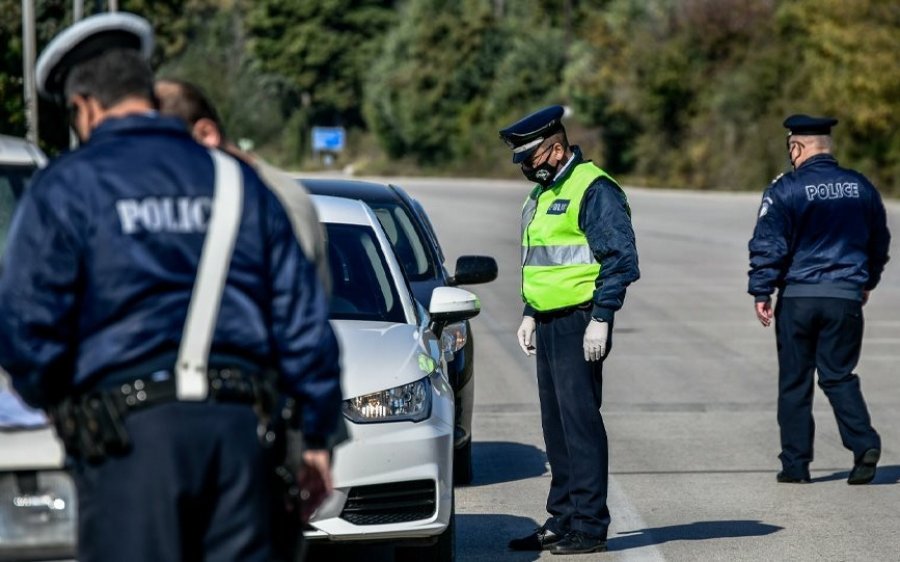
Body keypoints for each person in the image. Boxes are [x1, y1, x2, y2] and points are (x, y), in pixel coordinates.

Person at [0, 12, 341, 562]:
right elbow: (303, 325)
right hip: (241, 440)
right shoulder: (237, 180)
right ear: (145, 89)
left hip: (124, 445)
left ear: (84, 106)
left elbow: (24, 331)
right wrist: (319, 439)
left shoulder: (66, 186)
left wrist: (69, 410)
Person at [500, 105, 639, 555]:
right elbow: (542, 260)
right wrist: (528, 311)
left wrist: (602, 317)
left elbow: (620, 259)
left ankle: (590, 526)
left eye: (531, 159)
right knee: (556, 426)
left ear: (556, 149)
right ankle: (562, 517)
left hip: (582, 320)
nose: (525, 168)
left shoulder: (593, 189)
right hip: (548, 320)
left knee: (580, 424)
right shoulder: (542, 193)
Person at [748, 114, 890, 485]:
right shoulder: (861, 187)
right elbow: (879, 240)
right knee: (838, 375)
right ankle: (864, 444)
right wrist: (867, 281)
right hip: (845, 297)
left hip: (798, 298)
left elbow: (769, 243)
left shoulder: (786, 188)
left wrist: (762, 289)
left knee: (795, 382)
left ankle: (796, 466)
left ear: (797, 147)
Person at [154, 78, 331, 295]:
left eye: (166, 150)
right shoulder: (190, 195)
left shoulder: (277, 198)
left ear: (206, 134)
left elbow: (297, 307)